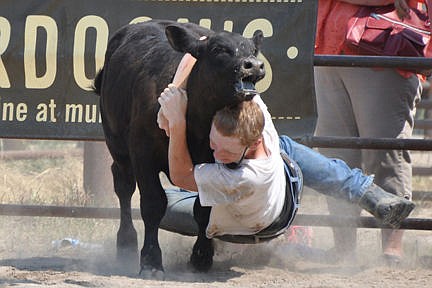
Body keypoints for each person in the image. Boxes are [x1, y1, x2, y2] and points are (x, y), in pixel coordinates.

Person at [156, 82, 415, 247]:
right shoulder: (260, 120)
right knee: (285, 145)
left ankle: (286, 243)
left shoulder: (244, 177)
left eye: (225, 149)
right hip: (282, 185)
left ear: (254, 142)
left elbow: (181, 176)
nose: (216, 151)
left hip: (258, 224)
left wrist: (177, 123)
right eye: (213, 143)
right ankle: (372, 196)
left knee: (156, 204)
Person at [314, 0, 426, 265]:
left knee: (385, 154)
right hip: (329, 49)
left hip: (381, 49)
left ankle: (392, 248)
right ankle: (344, 248)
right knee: (336, 156)